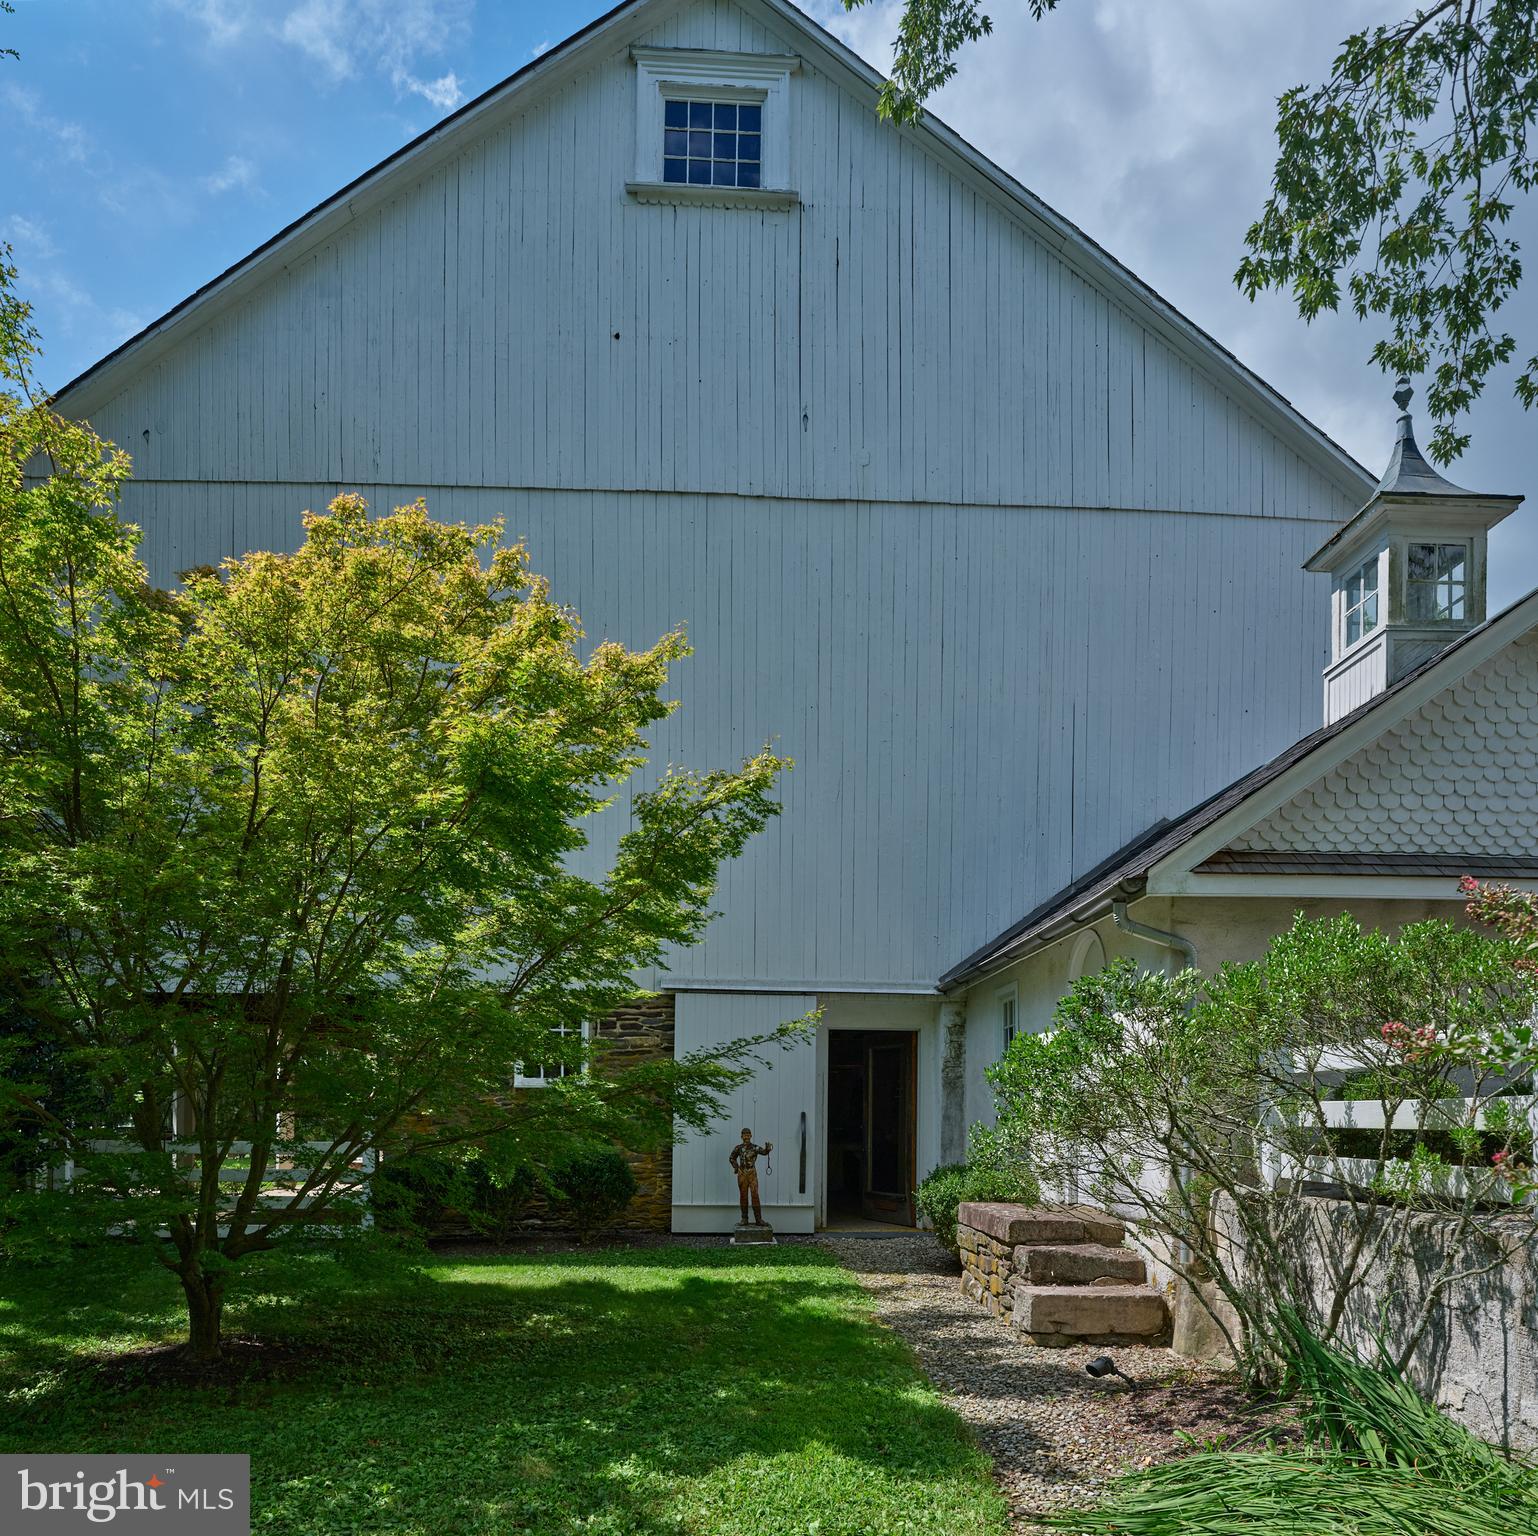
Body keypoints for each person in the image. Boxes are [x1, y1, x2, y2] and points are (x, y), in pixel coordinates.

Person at [729, 1127, 773, 1225]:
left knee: (755, 1196)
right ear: (741, 1136)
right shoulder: (738, 1148)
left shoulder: (755, 1148)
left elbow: (764, 1152)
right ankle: (744, 1219)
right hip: (742, 1174)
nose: (746, 1137)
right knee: (743, 1196)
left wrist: (768, 1149)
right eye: (745, 1135)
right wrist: (736, 1168)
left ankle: (758, 1219)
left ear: (751, 1136)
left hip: (752, 1174)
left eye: (748, 1135)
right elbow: (732, 1158)